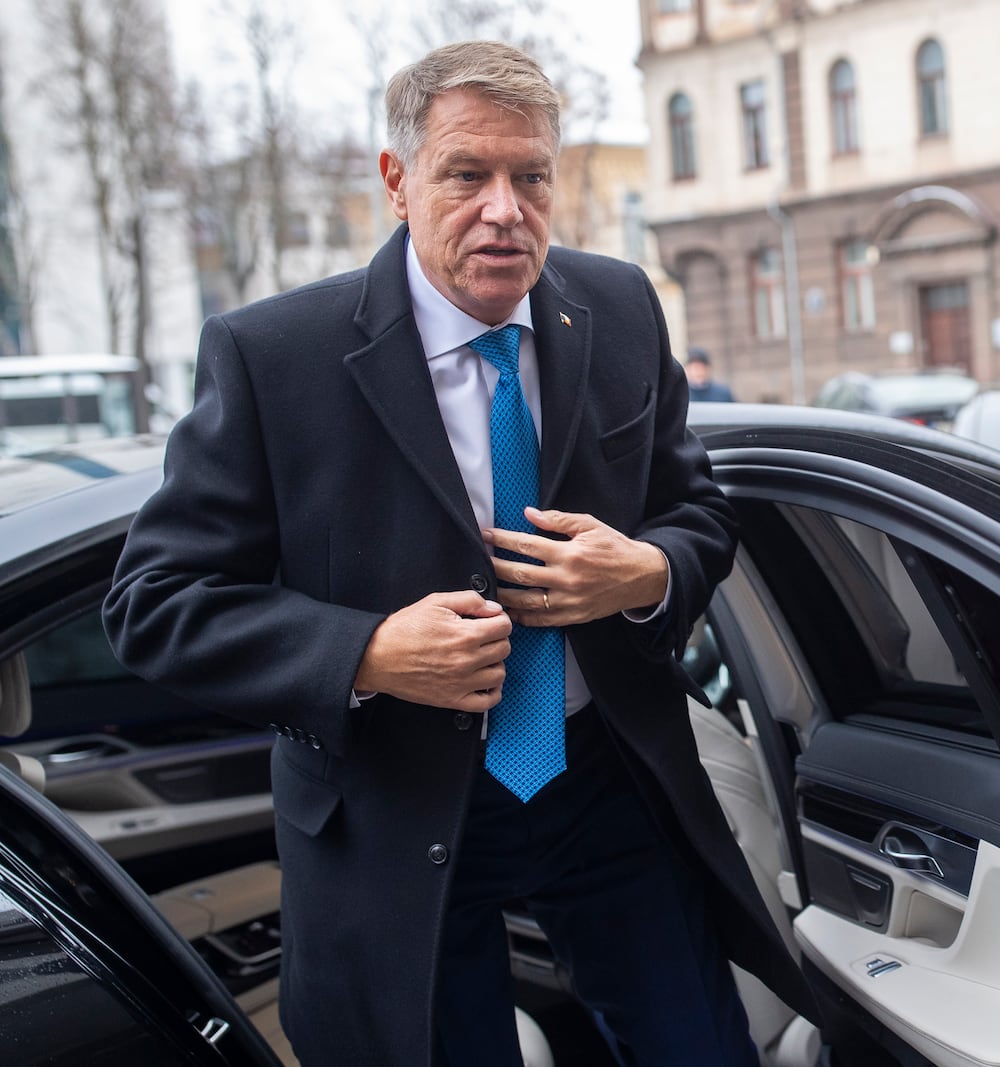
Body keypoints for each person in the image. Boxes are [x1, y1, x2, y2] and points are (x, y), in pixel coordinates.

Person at [103, 41, 811, 1067]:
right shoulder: (275, 357)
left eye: (531, 175)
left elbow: (695, 510)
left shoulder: (616, 307)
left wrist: (646, 572)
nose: (505, 208)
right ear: (398, 182)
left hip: (602, 780)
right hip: (391, 810)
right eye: (466, 174)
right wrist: (369, 651)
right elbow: (155, 602)